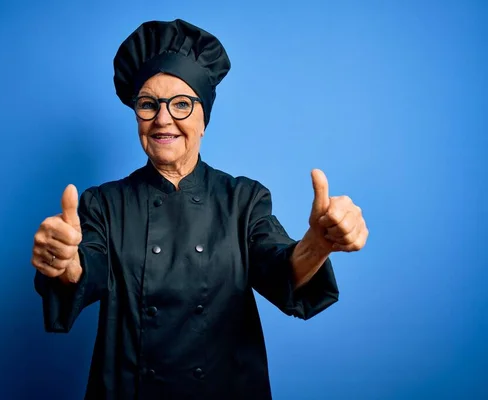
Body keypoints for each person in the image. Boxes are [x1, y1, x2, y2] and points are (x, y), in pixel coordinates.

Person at [31, 19, 368, 400]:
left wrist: (317, 245)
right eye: (148, 105)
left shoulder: (243, 199)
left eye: (181, 104)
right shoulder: (105, 203)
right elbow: (85, 268)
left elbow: (278, 268)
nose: (162, 119)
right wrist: (64, 261)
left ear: (203, 118)